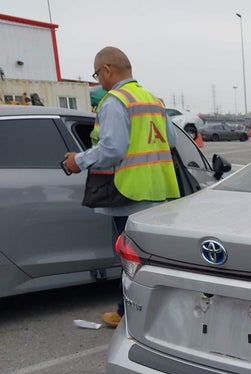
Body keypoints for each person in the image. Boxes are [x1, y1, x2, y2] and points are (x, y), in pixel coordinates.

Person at [62, 47, 180, 328]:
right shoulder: (153, 100)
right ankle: (159, 313)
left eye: (96, 74)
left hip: (129, 193)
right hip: (159, 190)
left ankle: (128, 313)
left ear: (106, 70)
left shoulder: (115, 100)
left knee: (131, 259)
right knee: (153, 258)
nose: (98, 80)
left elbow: (111, 149)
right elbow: (171, 141)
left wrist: (78, 160)